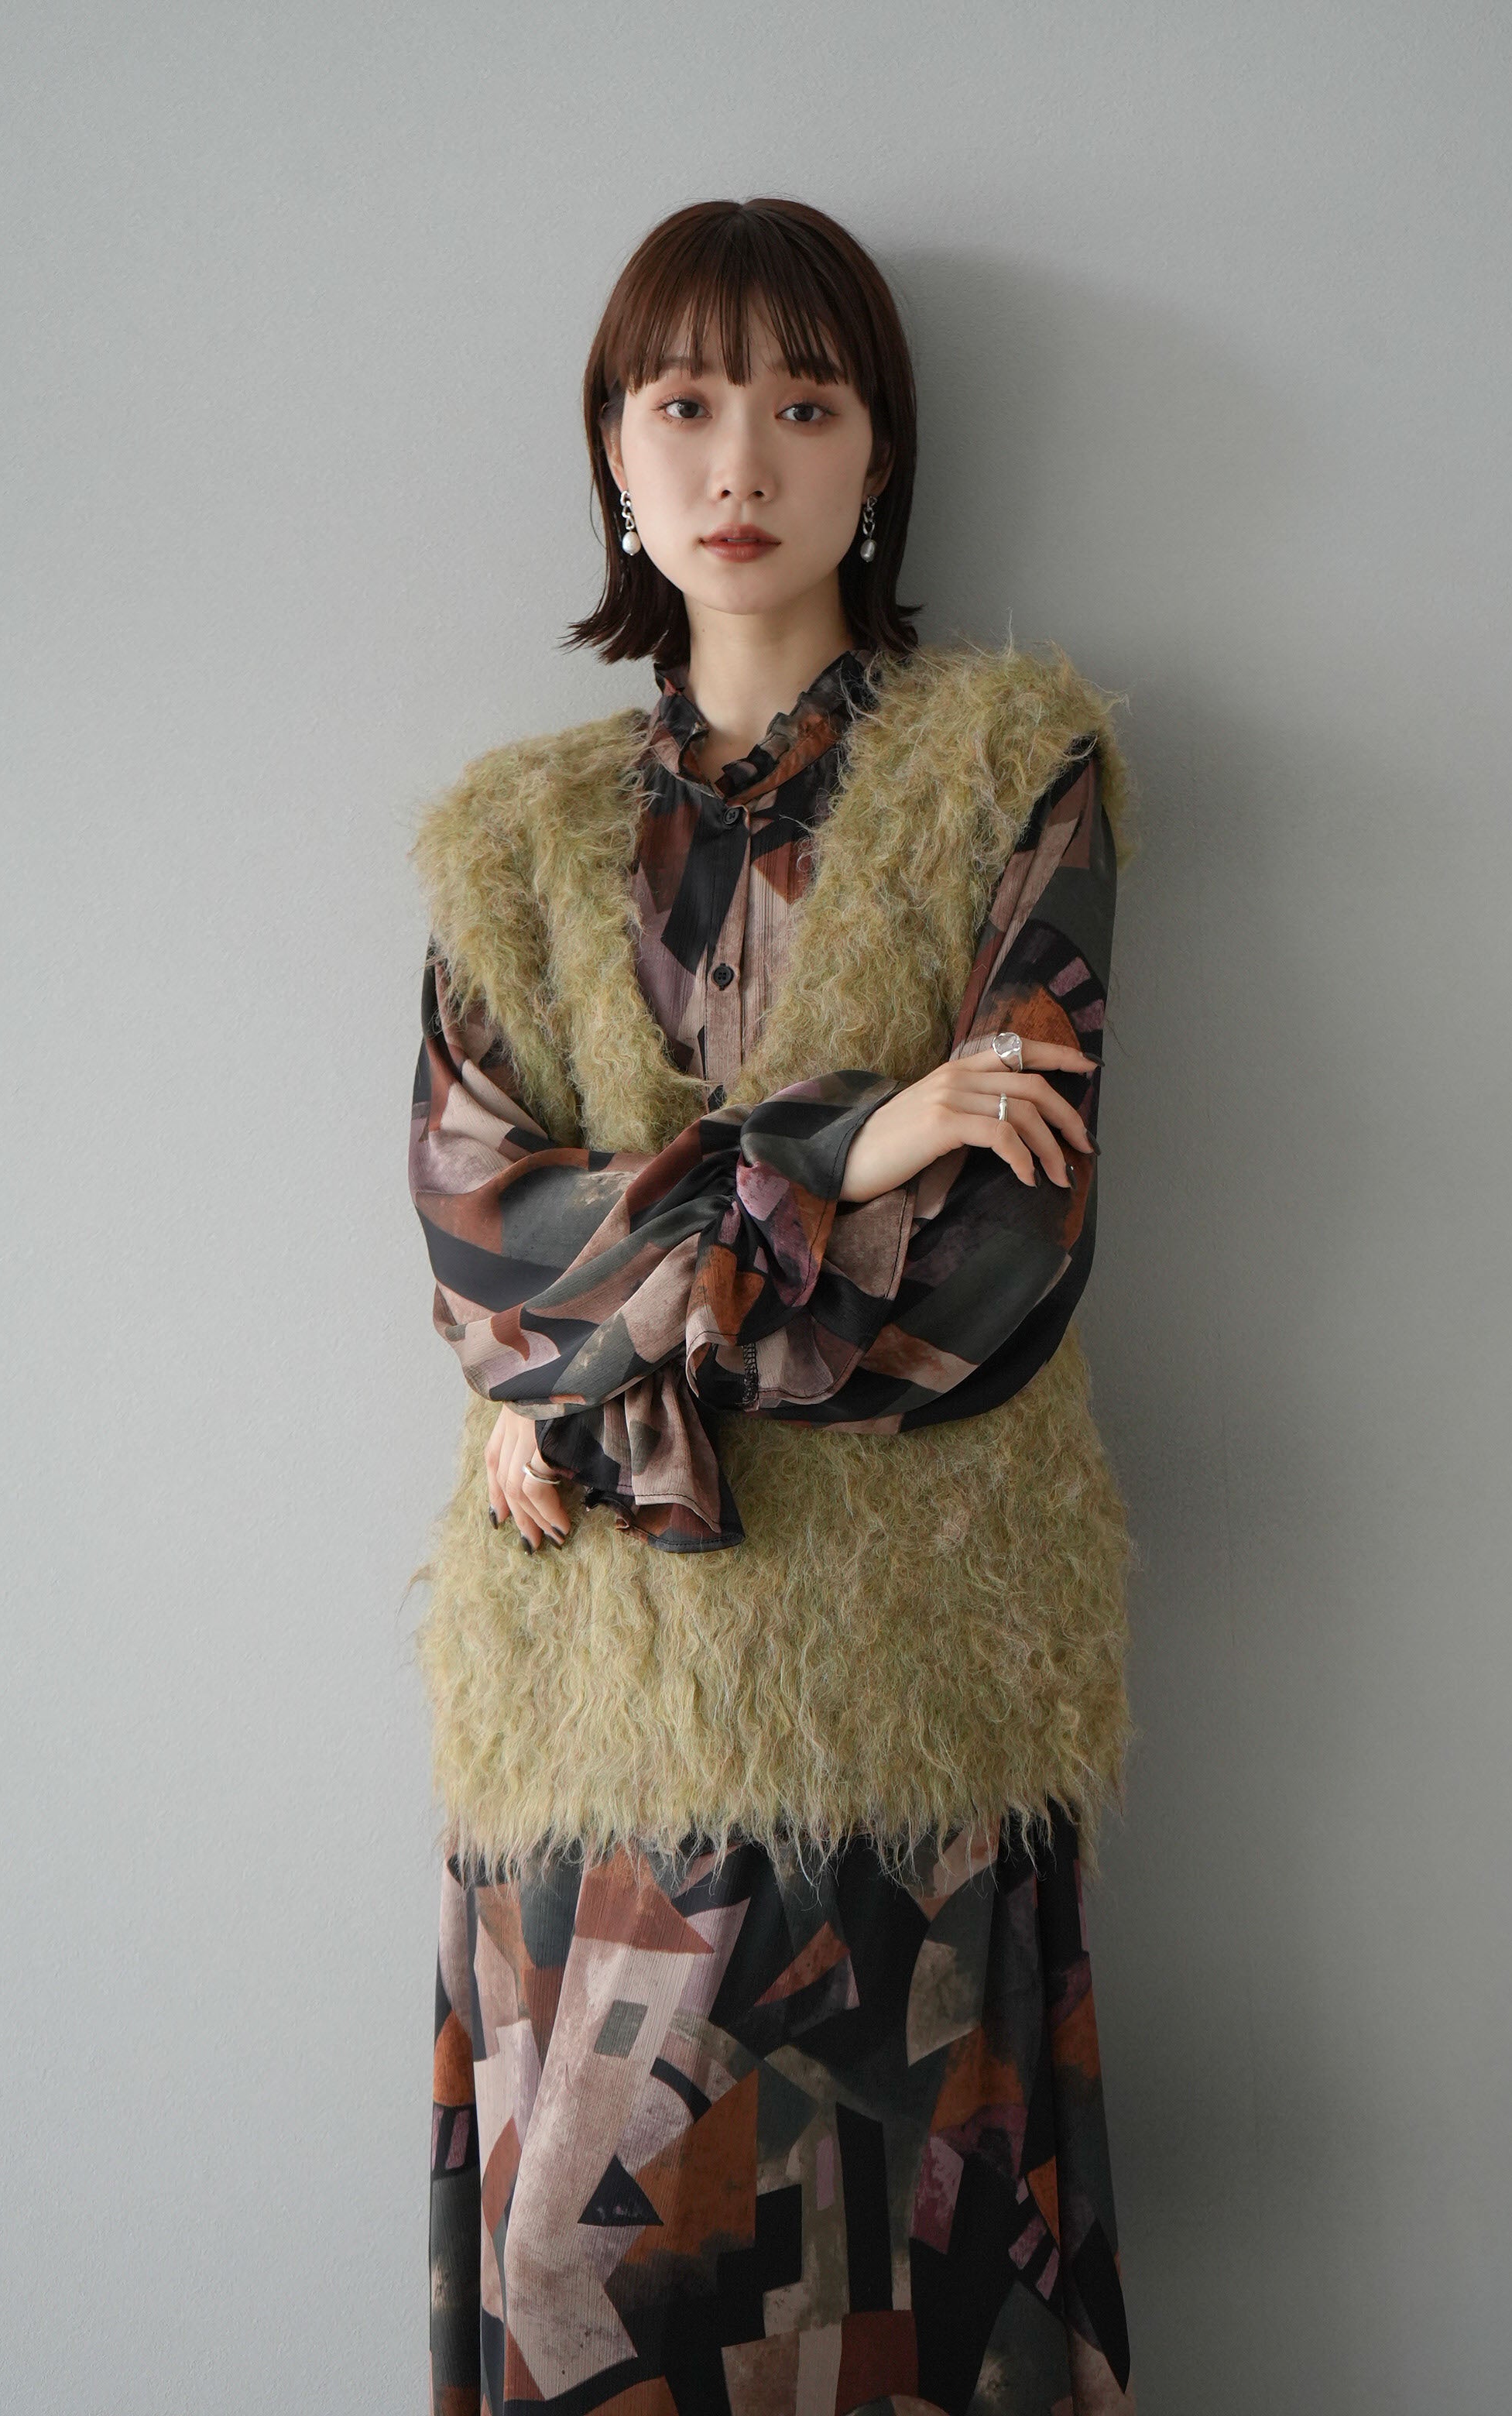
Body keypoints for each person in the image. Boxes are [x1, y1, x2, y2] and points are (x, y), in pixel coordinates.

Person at [408, 196, 1139, 2415]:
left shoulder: (1011, 767)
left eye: (807, 405)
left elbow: (994, 1265)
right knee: (583, 2305)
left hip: (915, 1691)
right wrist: (842, 1147)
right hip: (589, 1698)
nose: (742, 460)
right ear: (613, 451)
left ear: (879, 452)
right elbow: (480, 1241)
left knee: (911, 2326)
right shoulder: (511, 837)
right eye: (687, 401)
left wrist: (603, 1361)